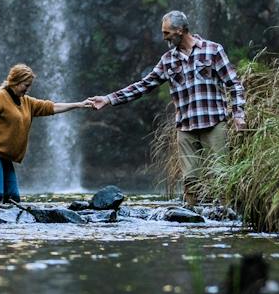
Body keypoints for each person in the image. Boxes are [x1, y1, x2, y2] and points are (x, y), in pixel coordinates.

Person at [88, 11, 246, 204]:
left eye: (166, 33)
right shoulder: (168, 60)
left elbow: (234, 83)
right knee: (190, 181)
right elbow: (143, 85)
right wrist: (109, 99)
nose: (164, 37)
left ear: (180, 31)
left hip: (214, 124)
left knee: (221, 176)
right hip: (186, 128)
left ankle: (225, 220)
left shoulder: (213, 50)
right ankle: (193, 223)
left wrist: (238, 115)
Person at [0, 63, 95, 203]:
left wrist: (79, 104)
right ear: (16, 82)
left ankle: (5, 224)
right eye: (26, 85)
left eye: (29, 85)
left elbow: (51, 107)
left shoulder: (27, 102)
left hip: (5, 155)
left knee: (13, 198)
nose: (28, 89)